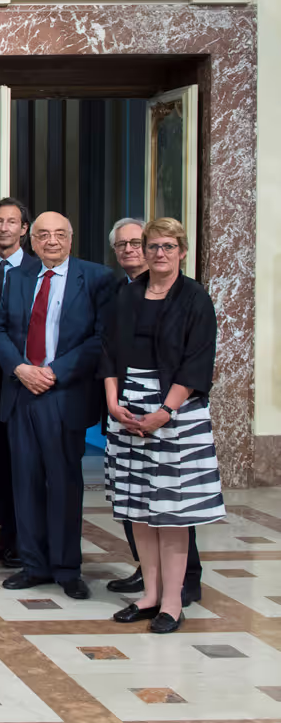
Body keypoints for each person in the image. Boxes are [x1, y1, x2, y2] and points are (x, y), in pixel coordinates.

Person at [0, 211, 115, 600]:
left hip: (64, 394)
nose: (51, 241)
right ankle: (34, 564)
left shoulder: (96, 278)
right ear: (33, 240)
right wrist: (20, 368)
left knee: (62, 483)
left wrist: (55, 371)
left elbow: (101, 338)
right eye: (43, 235)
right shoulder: (17, 277)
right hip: (22, 392)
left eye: (60, 234)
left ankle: (66, 567)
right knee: (24, 481)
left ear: (71, 238)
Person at [102, 218, 214, 624]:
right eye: (153, 247)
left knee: (171, 513)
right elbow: (109, 352)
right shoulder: (128, 295)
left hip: (176, 412)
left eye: (168, 246)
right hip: (128, 408)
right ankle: (150, 595)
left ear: (182, 251)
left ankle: (172, 602)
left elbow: (196, 363)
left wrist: (164, 413)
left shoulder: (195, 298)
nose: (159, 253)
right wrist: (113, 403)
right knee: (138, 509)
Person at [0, 197, 32, 566]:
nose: (4, 227)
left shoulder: (36, 270)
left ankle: (26, 538)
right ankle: (7, 533)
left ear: (23, 229)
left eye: (12, 222)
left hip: (24, 382)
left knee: (23, 464)